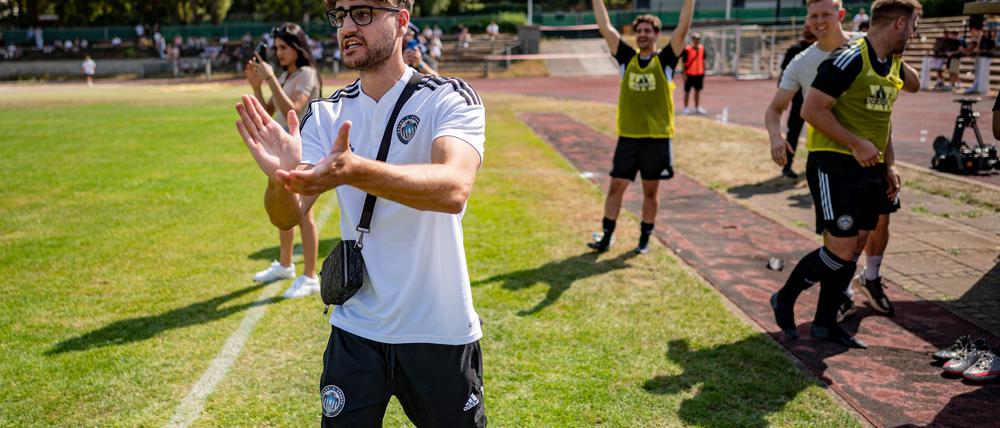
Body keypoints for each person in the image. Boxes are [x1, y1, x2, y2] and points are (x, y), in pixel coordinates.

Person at [234, 0, 487, 425]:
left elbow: (454, 187)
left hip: (438, 330)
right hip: (356, 330)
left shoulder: (446, 97)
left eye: (364, 14)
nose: (348, 26)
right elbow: (286, 215)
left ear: (402, 20)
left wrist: (355, 170)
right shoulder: (326, 114)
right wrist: (280, 179)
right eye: (341, 16)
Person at [771, 0, 921, 349]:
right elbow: (811, 109)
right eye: (912, 27)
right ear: (899, 24)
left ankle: (824, 324)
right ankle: (785, 295)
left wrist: (889, 164)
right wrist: (855, 143)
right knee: (839, 250)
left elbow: (885, 119)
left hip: (871, 167)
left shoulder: (889, 63)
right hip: (834, 163)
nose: (915, 35)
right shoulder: (849, 57)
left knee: (854, 249)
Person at [587, 0, 695, 254]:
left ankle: (644, 238)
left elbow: (683, 28)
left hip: (657, 138)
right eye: (639, 31)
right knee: (616, 186)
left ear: (657, 34)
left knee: (650, 190)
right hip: (629, 137)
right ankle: (606, 236)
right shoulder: (627, 59)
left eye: (648, 31)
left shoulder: (666, 60)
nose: (643, 35)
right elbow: (605, 27)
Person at [244, 23, 324, 298]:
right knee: (283, 210)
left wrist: (270, 79)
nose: (278, 53)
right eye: (276, 48)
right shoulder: (287, 75)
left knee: (304, 214)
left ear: (297, 48)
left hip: (304, 151)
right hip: (283, 152)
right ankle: (286, 264)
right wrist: (257, 87)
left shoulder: (306, 74)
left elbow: (294, 109)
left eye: (283, 48)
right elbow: (270, 110)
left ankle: (310, 276)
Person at [773, 23, 817, 178]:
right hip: (798, 100)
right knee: (793, 132)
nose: (806, 30)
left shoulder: (825, 49)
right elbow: (783, 75)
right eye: (804, 27)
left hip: (821, 103)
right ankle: (787, 166)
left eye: (808, 27)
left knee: (820, 135)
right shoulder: (794, 50)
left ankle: (817, 168)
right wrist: (782, 97)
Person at [681, 32, 707, 115]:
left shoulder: (702, 48)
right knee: (687, 91)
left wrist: (704, 71)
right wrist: (684, 74)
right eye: (695, 39)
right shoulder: (687, 49)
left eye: (698, 39)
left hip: (699, 73)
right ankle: (686, 108)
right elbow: (683, 62)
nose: (696, 41)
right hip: (689, 74)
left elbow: (703, 60)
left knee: (697, 91)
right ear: (692, 40)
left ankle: (697, 107)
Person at [965, 29, 995, 95]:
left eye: (986, 32)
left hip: (987, 58)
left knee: (984, 74)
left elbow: (991, 51)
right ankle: (977, 87)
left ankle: (983, 89)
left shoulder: (991, 41)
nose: (985, 33)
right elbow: (978, 48)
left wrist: (984, 51)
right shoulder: (982, 40)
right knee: (979, 74)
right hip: (981, 58)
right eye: (984, 32)